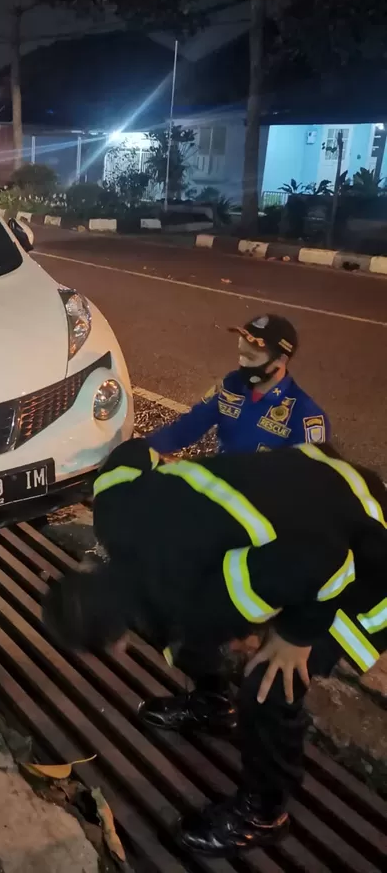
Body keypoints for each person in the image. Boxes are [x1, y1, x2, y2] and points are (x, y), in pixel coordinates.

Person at [42, 437, 387, 856]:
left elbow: (326, 564)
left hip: (365, 547)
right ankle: (213, 705)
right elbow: (130, 452)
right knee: (185, 634)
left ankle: (264, 812)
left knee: (268, 680)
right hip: (310, 477)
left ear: (116, 646)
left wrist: (295, 637)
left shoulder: (207, 599)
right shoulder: (113, 508)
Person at [146, 314, 329, 455]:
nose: (243, 363)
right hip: (222, 488)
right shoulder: (230, 386)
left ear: (280, 360)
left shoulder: (305, 417)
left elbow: (311, 482)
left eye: (251, 357)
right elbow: (188, 427)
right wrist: (145, 448)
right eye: (241, 353)